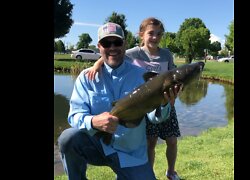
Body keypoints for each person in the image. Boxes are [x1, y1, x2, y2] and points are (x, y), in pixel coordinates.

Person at [57, 22, 180, 180]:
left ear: (125, 44)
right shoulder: (86, 78)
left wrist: (164, 104)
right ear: (99, 46)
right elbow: (74, 116)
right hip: (97, 145)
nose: (112, 47)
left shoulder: (143, 76)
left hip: (132, 153)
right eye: (107, 43)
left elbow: (154, 118)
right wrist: (93, 121)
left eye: (117, 42)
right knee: (68, 138)